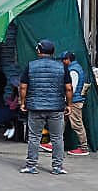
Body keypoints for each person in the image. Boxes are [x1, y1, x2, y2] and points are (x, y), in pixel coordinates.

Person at [19, 39, 72, 175]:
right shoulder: (61, 67)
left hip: (35, 107)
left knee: (34, 137)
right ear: (53, 52)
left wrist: (23, 102)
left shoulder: (31, 66)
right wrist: (69, 105)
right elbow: (68, 88)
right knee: (57, 138)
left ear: (38, 51)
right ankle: (57, 167)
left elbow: (23, 86)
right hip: (56, 107)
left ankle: (31, 166)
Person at [60, 51, 90, 156]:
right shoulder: (74, 68)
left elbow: (71, 88)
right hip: (71, 101)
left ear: (68, 59)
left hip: (74, 102)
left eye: (64, 59)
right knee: (60, 122)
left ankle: (84, 148)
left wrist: (68, 103)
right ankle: (55, 144)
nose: (63, 61)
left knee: (77, 125)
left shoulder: (73, 70)